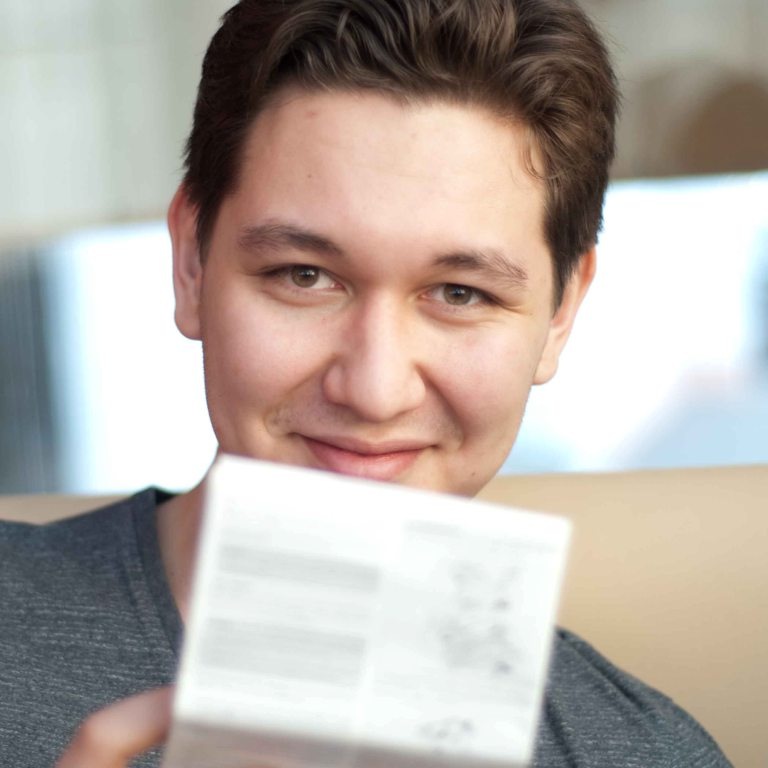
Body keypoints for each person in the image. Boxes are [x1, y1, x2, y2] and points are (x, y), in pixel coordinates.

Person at [0, 1, 732, 766]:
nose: (375, 391)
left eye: (460, 293)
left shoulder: (650, 753)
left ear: (560, 313)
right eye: (304, 276)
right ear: (191, 265)